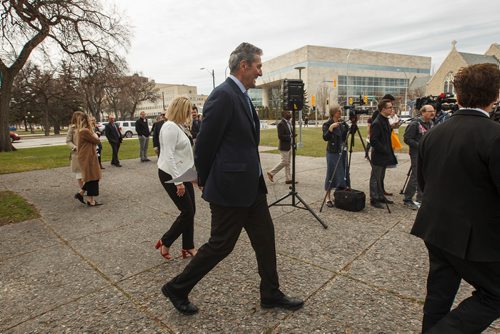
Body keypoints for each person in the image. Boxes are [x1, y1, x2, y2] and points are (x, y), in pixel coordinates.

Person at [162, 42, 304, 315]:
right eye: (258, 66)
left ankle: (271, 293)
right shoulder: (223, 95)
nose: (260, 73)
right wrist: (202, 177)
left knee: (265, 238)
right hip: (230, 188)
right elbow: (204, 144)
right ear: (244, 65)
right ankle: (177, 287)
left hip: (251, 187)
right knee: (221, 245)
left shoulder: (242, 95)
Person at [411, 63, 500, 333]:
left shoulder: (434, 133)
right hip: (472, 236)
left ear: (458, 96)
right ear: (495, 96)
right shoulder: (494, 136)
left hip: (436, 227)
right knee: (495, 294)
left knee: (438, 294)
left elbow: (424, 182)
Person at [155, 96, 197, 261]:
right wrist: (178, 182)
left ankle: (188, 246)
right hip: (171, 174)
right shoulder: (170, 127)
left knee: (191, 211)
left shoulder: (180, 126)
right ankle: (165, 241)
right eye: (187, 110)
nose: (190, 113)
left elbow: (184, 155)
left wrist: (193, 178)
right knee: (187, 211)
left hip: (182, 172)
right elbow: (169, 156)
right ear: (181, 110)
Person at [402, 104, 435, 210]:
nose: (432, 113)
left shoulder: (431, 123)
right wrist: (419, 145)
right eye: (430, 111)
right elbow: (407, 138)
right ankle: (407, 199)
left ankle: (420, 198)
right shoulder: (415, 124)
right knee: (415, 175)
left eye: (433, 111)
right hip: (416, 153)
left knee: (424, 175)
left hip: (427, 153)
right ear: (423, 112)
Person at [369, 99, 397, 209]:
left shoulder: (385, 120)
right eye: (389, 107)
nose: (391, 109)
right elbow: (374, 140)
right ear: (383, 109)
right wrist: (384, 149)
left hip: (384, 154)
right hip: (379, 155)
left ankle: (380, 196)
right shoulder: (377, 122)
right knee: (375, 177)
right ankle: (374, 198)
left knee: (381, 177)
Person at [322, 105, 349, 207]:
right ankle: (327, 197)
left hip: (342, 152)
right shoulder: (327, 124)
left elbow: (346, 135)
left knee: (342, 173)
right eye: (338, 111)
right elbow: (325, 138)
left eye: (340, 111)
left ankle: (339, 195)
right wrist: (330, 129)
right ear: (334, 112)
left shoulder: (342, 123)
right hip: (332, 152)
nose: (340, 113)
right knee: (331, 174)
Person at [77, 113, 102, 206]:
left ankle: (81, 193)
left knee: (93, 177)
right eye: (90, 120)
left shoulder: (85, 131)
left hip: (89, 156)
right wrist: (96, 135)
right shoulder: (85, 131)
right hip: (88, 157)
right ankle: (90, 200)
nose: (92, 122)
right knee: (93, 177)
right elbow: (96, 141)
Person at [266, 110, 294, 184]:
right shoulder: (281, 124)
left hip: (289, 145)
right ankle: (271, 172)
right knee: (285, 162)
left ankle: (288, 179)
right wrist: (290, 136)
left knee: (288, 163)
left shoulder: (289, 123)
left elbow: (290, 133)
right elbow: (280, 136)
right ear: (284, 114)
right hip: (284, 146)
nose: (290, 113)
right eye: (288, 112)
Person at [66, 111, 85, 203]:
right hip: (77, 154)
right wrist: (74, 147)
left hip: (86, 153)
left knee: (88, 173)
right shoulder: (72, 128)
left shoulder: (85, 126)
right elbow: (68, 141)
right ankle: (82, 190)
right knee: (79, 174)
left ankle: (84, 189)